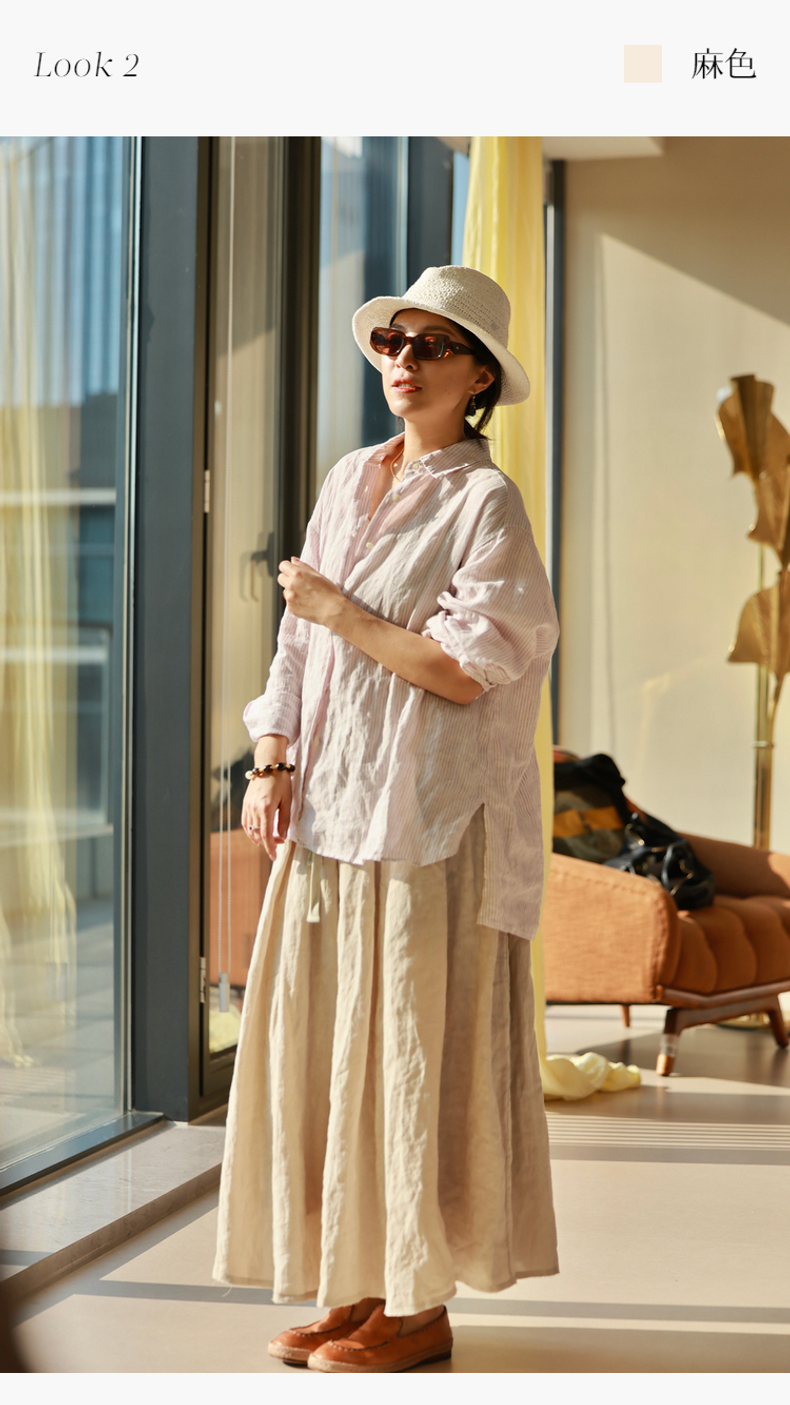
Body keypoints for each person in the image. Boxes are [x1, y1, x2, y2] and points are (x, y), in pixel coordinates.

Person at [213, 265, 560, 1373]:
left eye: (432, 346)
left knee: (412, 1059)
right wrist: (272, 756)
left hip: (430, 823)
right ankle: (357, 1285)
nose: (402, 361)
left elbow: (464, 669)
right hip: (330, 807)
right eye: (392, 342)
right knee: (331, 1054)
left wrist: (337, 607)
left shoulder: (484, 503)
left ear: (479, 377)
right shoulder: (349, 477)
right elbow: (294, 645)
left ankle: (420, 1305)